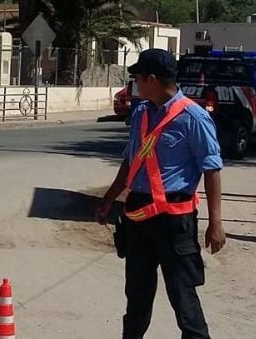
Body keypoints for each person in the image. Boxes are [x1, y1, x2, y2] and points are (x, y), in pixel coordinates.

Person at [94, 49, 225, 339]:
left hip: (174, 220)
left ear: (151, 79)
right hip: (138, 217)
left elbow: (212, 169)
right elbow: (130, 161)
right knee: (137, 295)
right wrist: (109, 199)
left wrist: (215, 223)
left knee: (183, 296)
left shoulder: (193, 117)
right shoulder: (141, 113)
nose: (135, 84)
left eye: (138, 78)